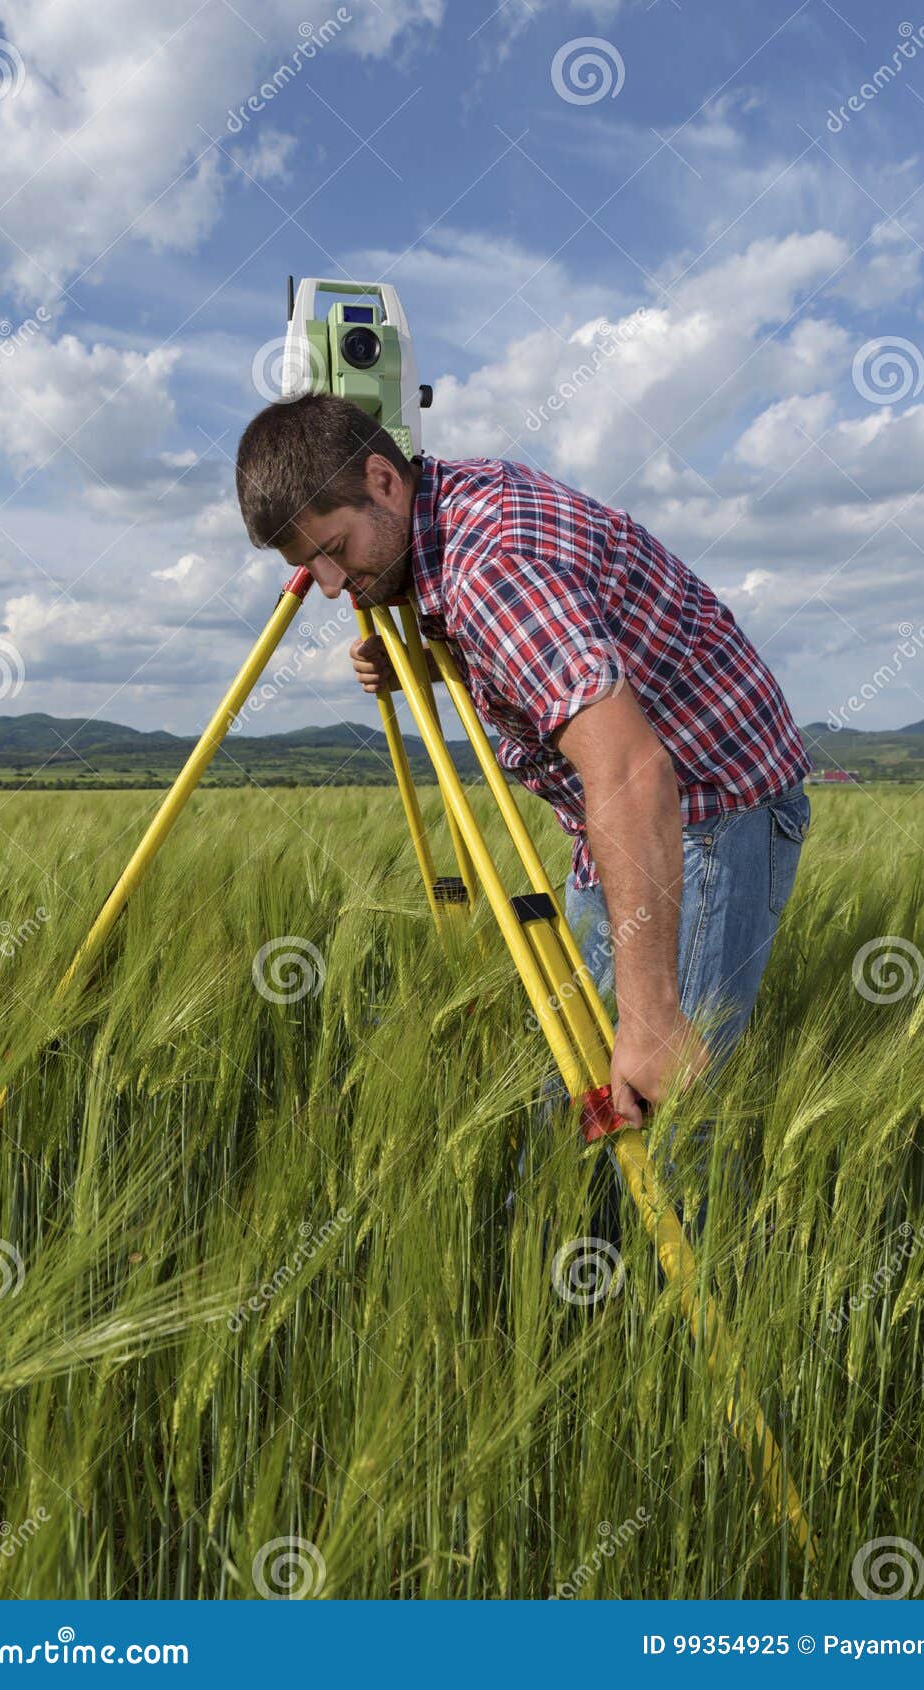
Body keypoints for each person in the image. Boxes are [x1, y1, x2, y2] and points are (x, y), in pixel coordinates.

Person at [235, 393, 811, 1222]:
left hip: (706, 811)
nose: (327, 588)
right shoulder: (451, 504)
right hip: (631, 816)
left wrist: (650, 1018)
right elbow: (564, 644)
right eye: (309, 565)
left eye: (333, 551)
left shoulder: (490, 569)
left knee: (667, 1117)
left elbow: (632, 769)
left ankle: (701, 1327)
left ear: (382, 479)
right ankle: (581, 1289)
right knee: (576, 1094)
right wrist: (431, 666)